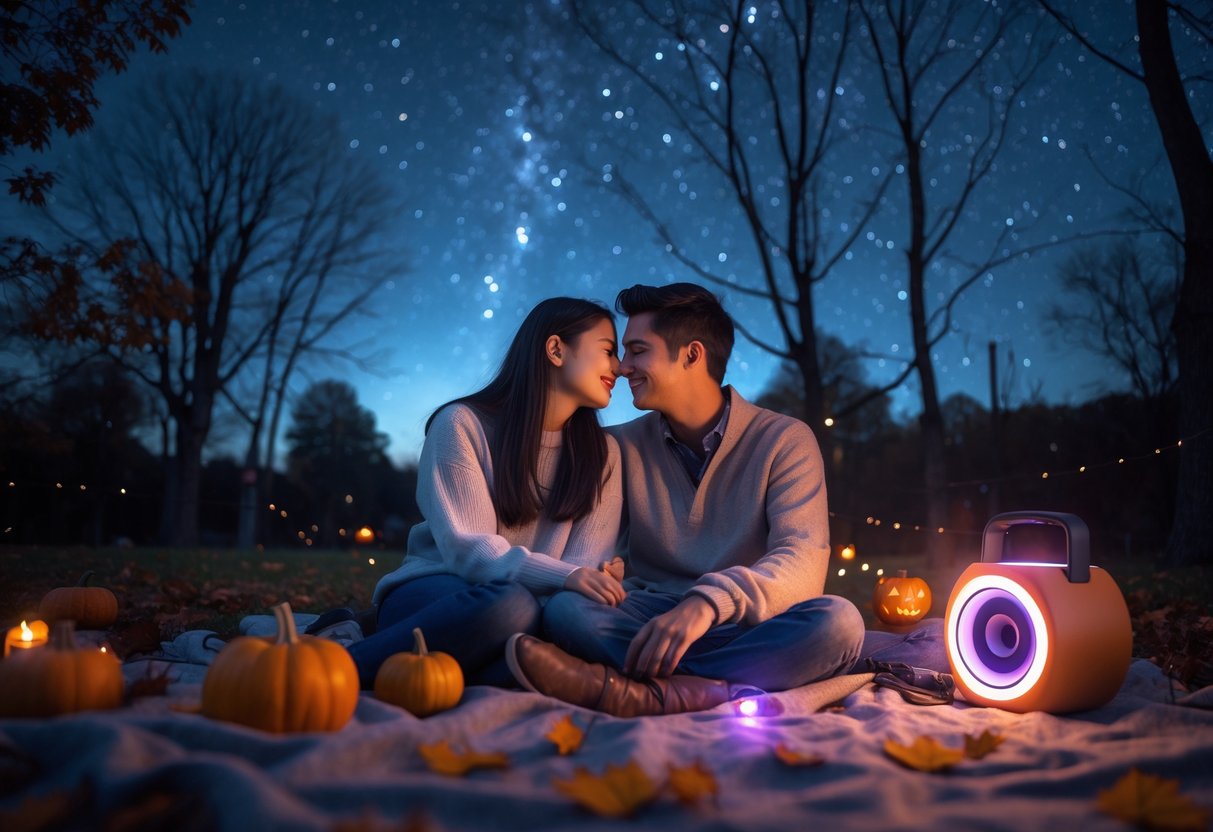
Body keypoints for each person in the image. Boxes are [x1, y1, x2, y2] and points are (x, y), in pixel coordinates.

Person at [506, 282, 865, 716]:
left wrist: (707, 604)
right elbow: (579, 538)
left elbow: (803, 561)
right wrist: (605, 570)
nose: (621, 367)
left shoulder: (784, 440)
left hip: (742, 623)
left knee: (839, 624)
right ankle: (706, 689)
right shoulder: (618, 447)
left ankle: (646, 687)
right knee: (568, 609)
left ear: (692, 355)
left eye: (637, 351)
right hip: (649, 617)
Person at [341, 297, 627, 689]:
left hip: (537, 606)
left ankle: (494, 665)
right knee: (510, 608)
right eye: (609, 351)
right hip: (442, 590)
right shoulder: (461, 425)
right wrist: (566, 578)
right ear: (556, 349)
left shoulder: (604, 454)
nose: (620, 368)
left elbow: (582, 568)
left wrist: (584, 578)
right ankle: (333, 667)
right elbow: (470, 551)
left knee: (555, 626)